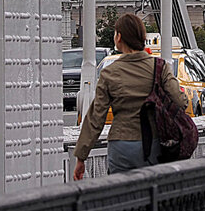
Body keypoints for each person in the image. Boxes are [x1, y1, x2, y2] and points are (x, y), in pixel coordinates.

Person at [73, 13, 187, 178]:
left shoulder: (109, 73)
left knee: (121, 196)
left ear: (119, 37)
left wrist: (81, 156)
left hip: (121, 145)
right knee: (151, 194)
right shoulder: (159, 67)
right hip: (152, 143)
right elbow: (180, 101)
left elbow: (95, 118)